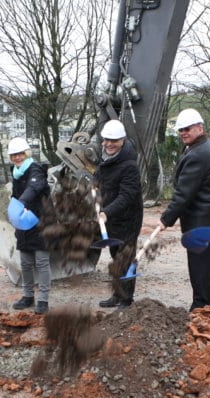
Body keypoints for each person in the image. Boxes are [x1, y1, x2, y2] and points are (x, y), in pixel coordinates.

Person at [158, 108, 210, 311]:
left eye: (187, 129)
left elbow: (184, 194)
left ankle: (200, 307)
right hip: (209, 218)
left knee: (199, 266)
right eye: (180, 130)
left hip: (201, 220)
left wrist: (166, 218)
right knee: (207, 262)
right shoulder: (204, 146)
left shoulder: (199, 154)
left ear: (199, 127)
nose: (183, 133)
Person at [94, 120, 143, 310]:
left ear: (122, 140)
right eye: (106, 140)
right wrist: (94, 187)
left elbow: (127, 196)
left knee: (126, 258)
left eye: (114, 140)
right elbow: (99, 178)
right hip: (112, 219)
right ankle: (117, 294)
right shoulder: (106, 159)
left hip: (128, 220)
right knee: (116, 257)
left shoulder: (129, 165)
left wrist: (106, 212)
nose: (109, 144)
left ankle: (126, 299)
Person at [8, 137, 52, 315]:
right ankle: (27, 296)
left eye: (20, 154)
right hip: (24, 221)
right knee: (25, 262)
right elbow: (15, 193)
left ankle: (43, 299)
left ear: (26, 153)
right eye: (14, 155)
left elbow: (33, 189)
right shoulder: (17, 172)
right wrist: (14, 209)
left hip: (42, 220)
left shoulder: (36, 170)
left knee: (41, 262)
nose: (17, 157)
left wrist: (20, 204)